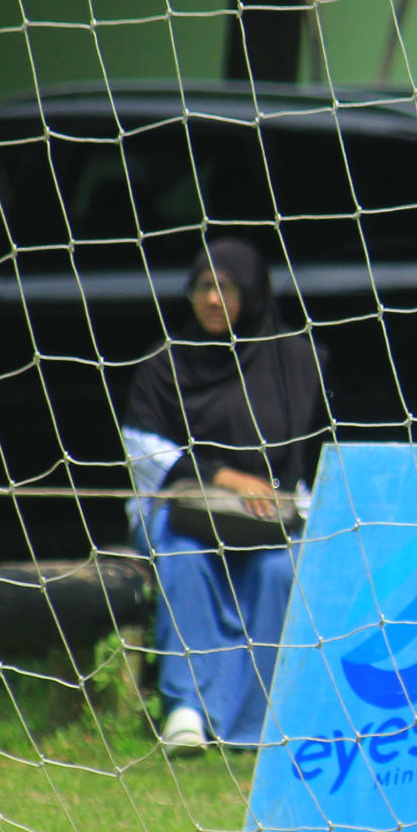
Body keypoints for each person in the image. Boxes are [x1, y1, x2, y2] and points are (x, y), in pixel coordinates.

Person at [121, 239, 327, 753]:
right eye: (204, 287)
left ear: (253, 294)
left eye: (227, 288)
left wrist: (276, 498)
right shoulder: (165, 366)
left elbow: (312, 458)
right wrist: (225, 479)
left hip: (272, 518)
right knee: (186, 559)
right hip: (184, 510)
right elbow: (147, 456)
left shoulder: (297, 362)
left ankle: (258, 719)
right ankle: (186, 709)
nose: (214, 300)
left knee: (277, 571)